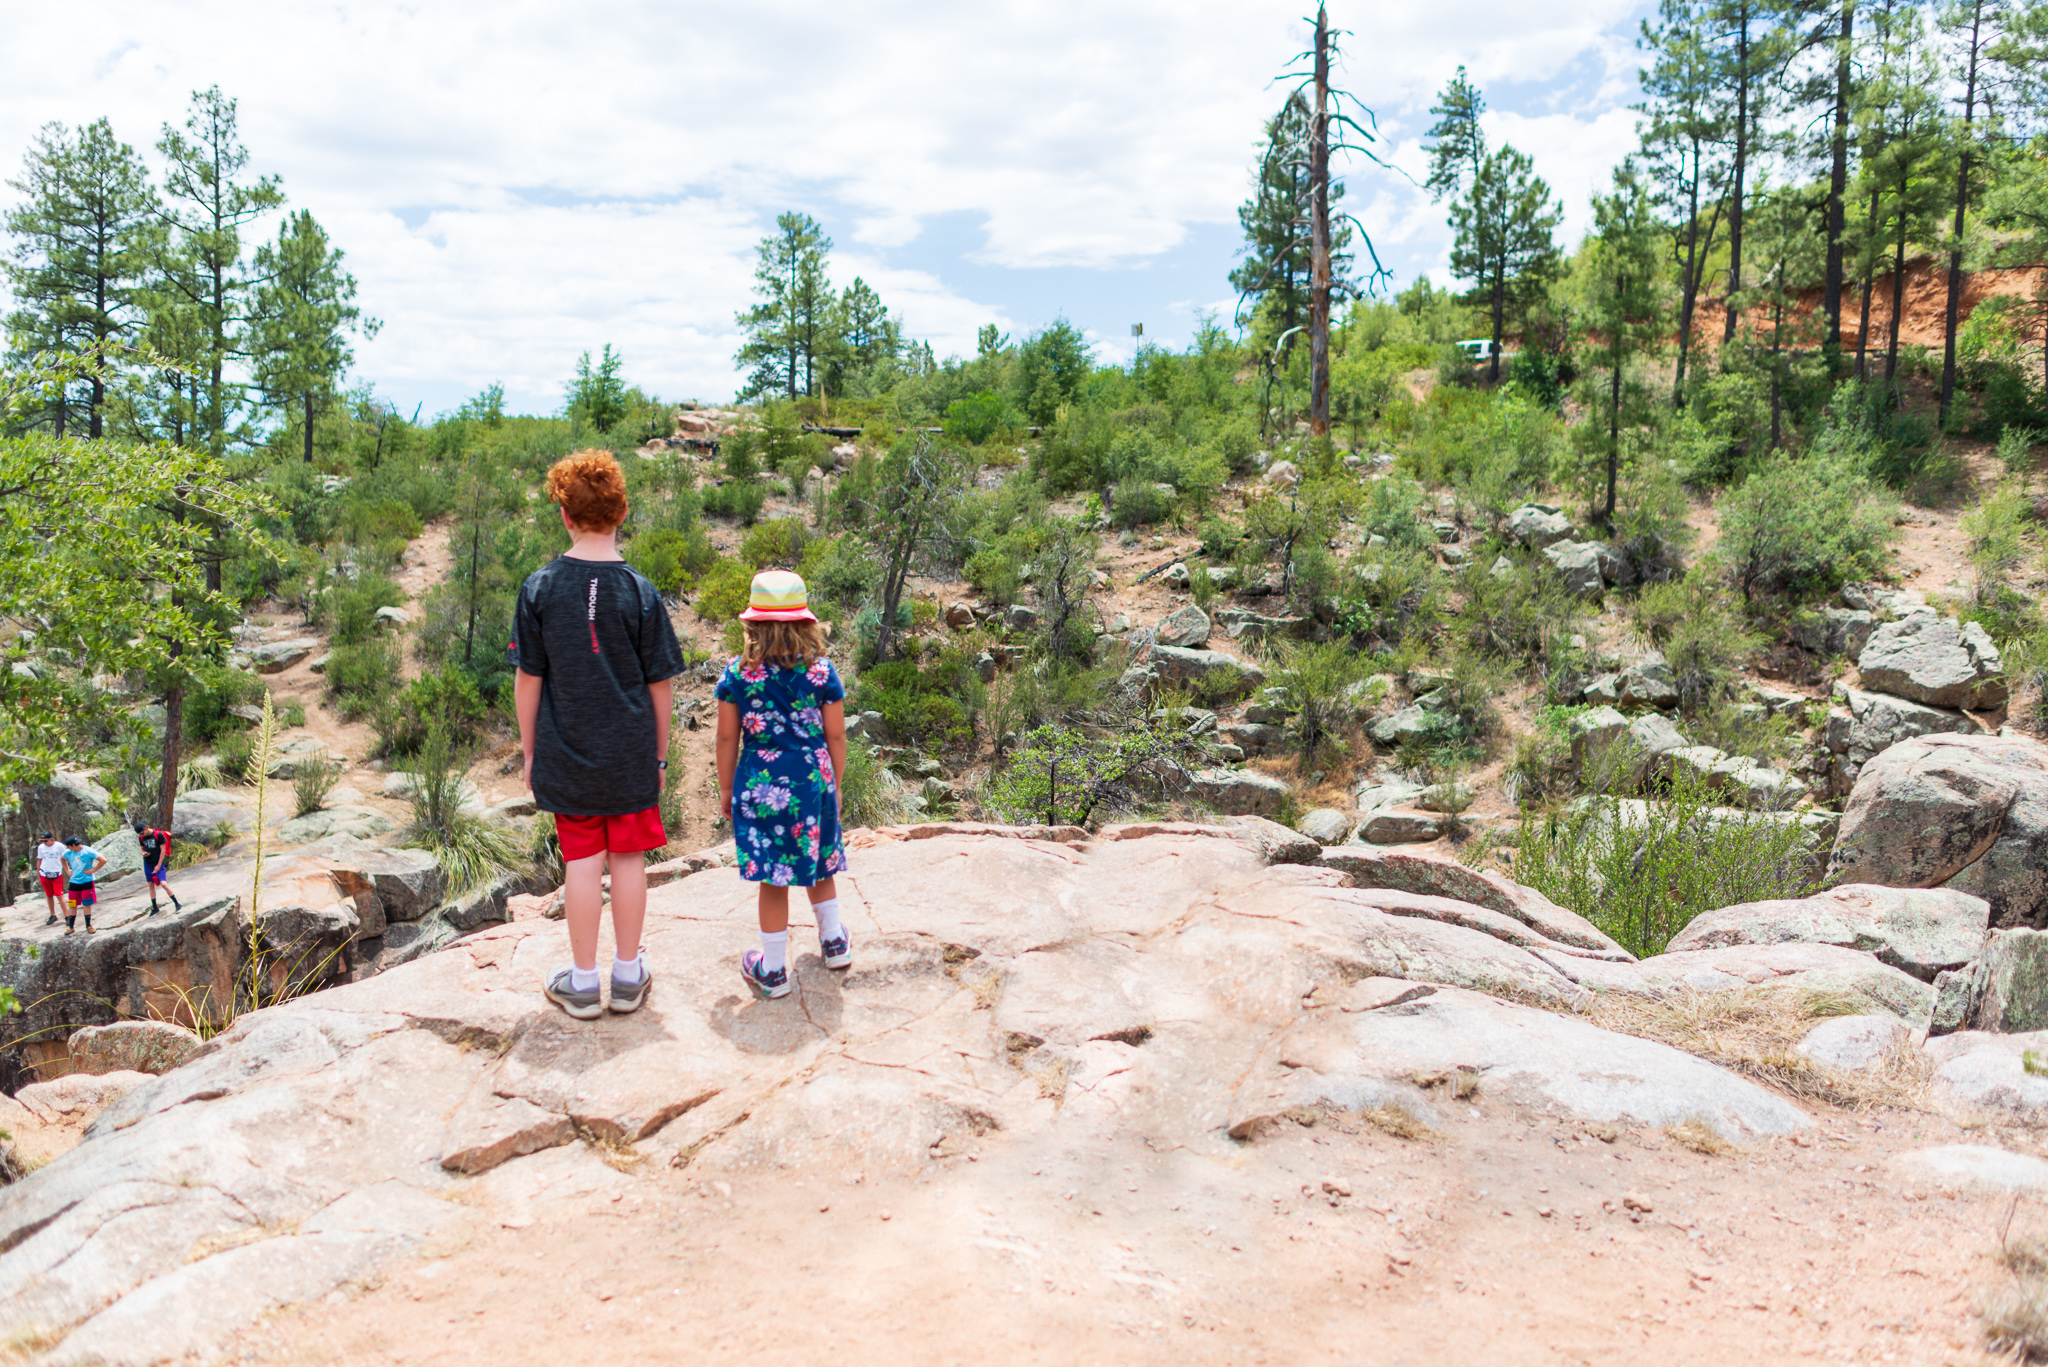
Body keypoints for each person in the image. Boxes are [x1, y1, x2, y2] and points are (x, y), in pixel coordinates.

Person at [513, 449, 685, 1020]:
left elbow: (529, 677)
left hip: (568, 752)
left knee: (582, 861)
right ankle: (629, 976)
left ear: (564, 513)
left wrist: (532, 749)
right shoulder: (638, 590)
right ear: (620, 513)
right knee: (630, 859)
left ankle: (583, 983)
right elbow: (660, 684)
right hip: (631, 751)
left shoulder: (539, 588)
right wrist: (659, 755)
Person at [714, 570, 851, 1000]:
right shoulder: (821, 672)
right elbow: (837, 736)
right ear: (806, 622)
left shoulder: (738, 675)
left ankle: (772, 970)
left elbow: (725, 738)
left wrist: (724, 790)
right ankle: (833, 943)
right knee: (820, 859)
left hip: (761, 783)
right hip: (813, 779)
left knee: (773, 877)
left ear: (752, 624)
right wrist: (836, 784)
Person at [59, 837, 105, 935]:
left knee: (86, 904)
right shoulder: (69, 852)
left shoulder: (88, 851)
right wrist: (67, 870)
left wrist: (94, 870)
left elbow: (103, 860)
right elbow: (62, 859)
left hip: (87, 881)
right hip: (74, 882)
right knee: (72, 904)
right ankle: (71, 927)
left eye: (68, 846)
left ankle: (88, 925)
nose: (67, 848)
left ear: (73, 845)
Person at [134, 822, 181, 916]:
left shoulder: (157, 835)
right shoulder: (142, 837)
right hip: (148, 863)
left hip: (158, 862)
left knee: (164, 884)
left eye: (142, 833)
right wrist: (143, 853)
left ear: (146, 828)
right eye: (139, 834)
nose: (141, 835)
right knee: (151, 884)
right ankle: (155, 907)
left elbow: (163, 850)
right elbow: (142, 848)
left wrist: (159, 865)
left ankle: (177, 903)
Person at [32, 832, 65, 926]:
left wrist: (66, 869)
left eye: (45, 841)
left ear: (51, 839)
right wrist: (38, 877)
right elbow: (39, 861)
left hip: (56, 873)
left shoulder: (60, 846)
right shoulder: (41, 847)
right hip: (44, 873)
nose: (44, 842)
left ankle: (67, 916)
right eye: (42, 841)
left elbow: (65, 858)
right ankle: (52, 915)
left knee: (59, 895)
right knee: (49, 895)